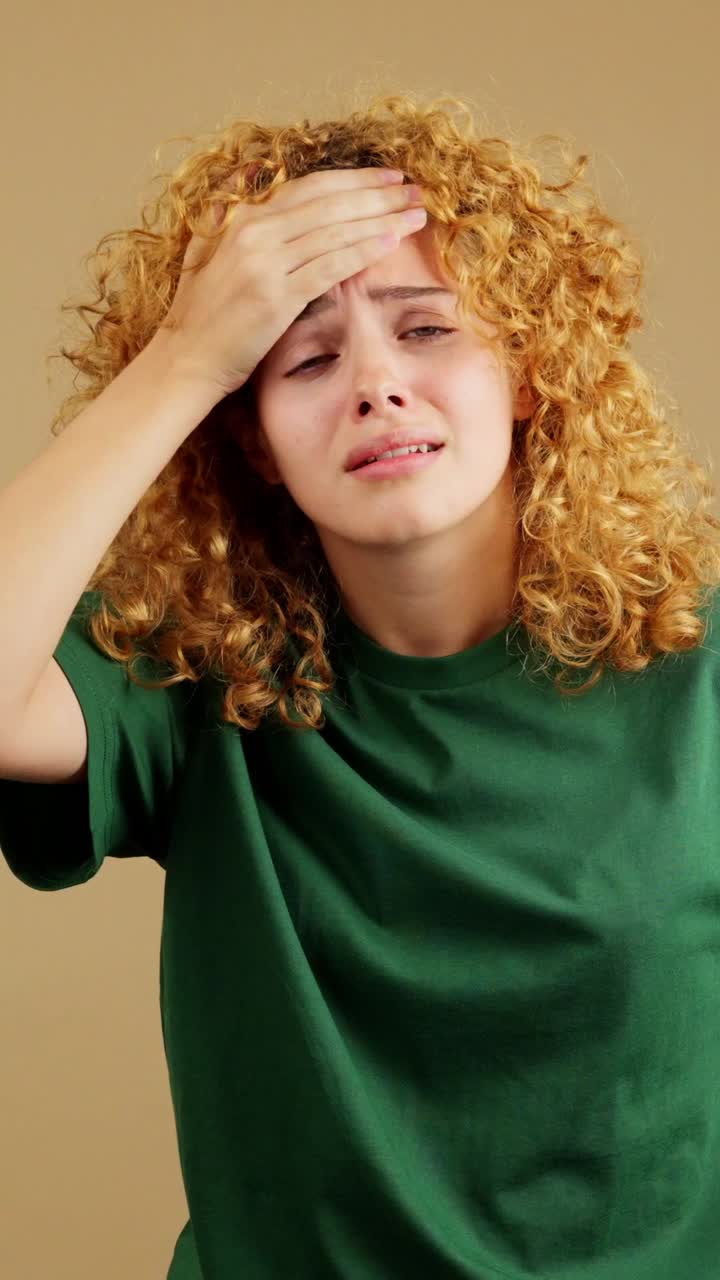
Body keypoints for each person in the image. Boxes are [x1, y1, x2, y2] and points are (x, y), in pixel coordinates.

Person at [1, 90, 719, 1280]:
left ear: (530, 373)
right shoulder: (197, 680)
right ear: (252, 440)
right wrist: (184, 358)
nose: (377, 384)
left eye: (428, 329)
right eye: (307, 356)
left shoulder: (695, 666)